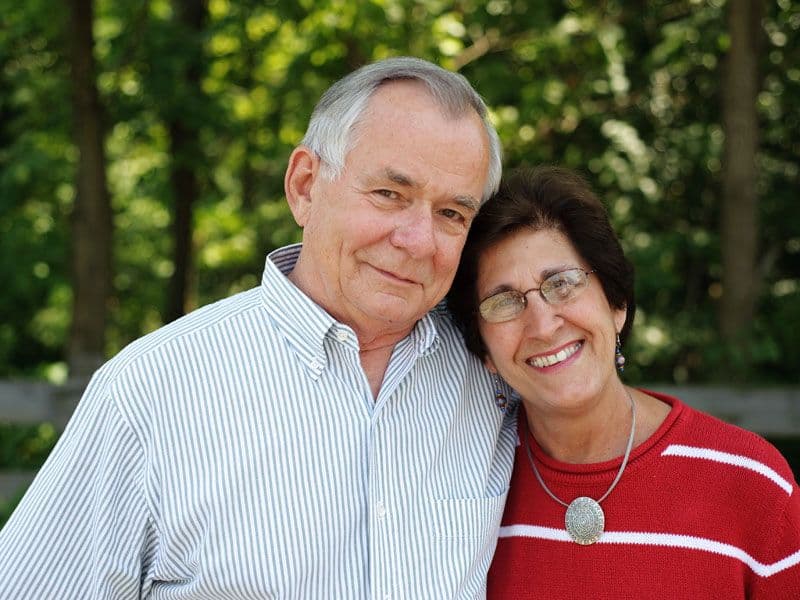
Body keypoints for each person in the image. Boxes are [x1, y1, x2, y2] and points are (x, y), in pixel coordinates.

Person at [0, 57, 517, 598]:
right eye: (389, 194)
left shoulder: (493, 380)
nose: (417, 240)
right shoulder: (149, 392)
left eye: (452, 214)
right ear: (305, 185)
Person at [448, 165, 800, 598]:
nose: (542, 324)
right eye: (503, 302)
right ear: (484, 350)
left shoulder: (752, 483)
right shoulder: (462, 484)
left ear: (616, 303)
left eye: (562, 283)